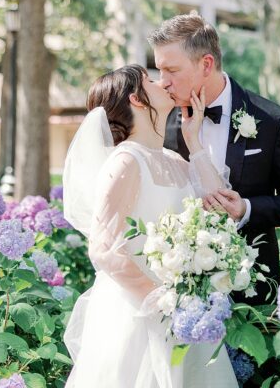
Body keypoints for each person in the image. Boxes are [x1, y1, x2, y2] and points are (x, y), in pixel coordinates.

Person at [62, 64, 238, 388]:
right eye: (150, 80)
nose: (162, 82)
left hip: (182, 312)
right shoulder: (125, 161)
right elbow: (102, 248)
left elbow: (220, 206)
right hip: (137, 314)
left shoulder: (173, 160)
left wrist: (194, 141)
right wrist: (161, 299)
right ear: (137, 100)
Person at [152, 13, 280, 299]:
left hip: (252, 289)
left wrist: (246, 209)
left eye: (172, 70)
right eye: (159, 70)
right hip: (181, 292)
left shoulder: (271, 121)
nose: (163, 82)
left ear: (206, 64)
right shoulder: (161, 122)